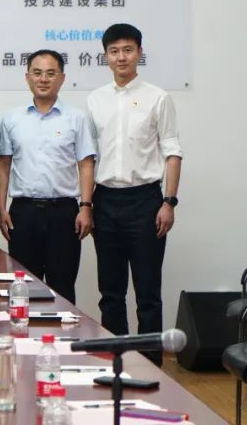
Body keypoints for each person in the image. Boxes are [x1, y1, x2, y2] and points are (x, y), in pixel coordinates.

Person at [86, 23, 182, 361]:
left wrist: (169, 201)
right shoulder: (95, 100)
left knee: (148, 293)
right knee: (110, 292)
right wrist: (86, 204)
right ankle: (116, 362)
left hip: (145, 202)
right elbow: (89, 158)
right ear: (105, 56)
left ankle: (151, 365)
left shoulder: (158, 97)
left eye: (128, 50)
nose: (121, 57)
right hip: (105, 200)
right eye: (114, 51)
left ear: (140, 53)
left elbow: (172, 152)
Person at [0, 49, 96, 304]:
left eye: (50, 73)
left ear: (61, 78)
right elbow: (3, 165)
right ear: (27, 77)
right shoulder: (12, 119)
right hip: (23, 213)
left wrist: (86, 207)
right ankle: (24, 330)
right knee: (23, 288)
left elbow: (86, 165)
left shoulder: (76, 118)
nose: (43, 79)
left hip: (64, 214)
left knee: (62, 287)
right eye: (37, 73)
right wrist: (1, 208)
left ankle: (64, 331)